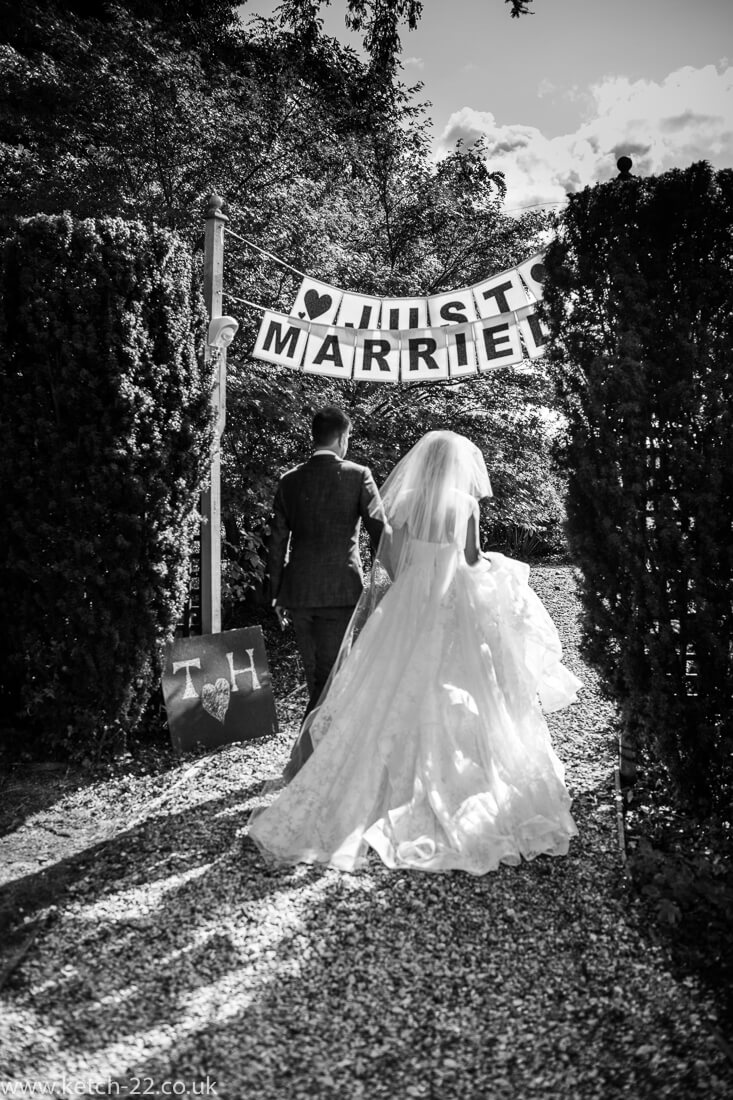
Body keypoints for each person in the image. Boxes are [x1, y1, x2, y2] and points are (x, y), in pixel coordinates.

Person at [250, 430, 582, 875]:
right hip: (451, 596)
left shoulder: (405, 499)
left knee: (387, 678)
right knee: (461, 679)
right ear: (458, 465)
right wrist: (493, 568)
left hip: (410, 596)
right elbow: (471, 557)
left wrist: (412, 577)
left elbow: (389, 552)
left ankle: (365, 782)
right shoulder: (464, 504)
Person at [263, 405, 387, 776]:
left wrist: (276, 592)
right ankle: (311, 766)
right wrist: (393, 576)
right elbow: (381, 532)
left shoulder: (289, 480)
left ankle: (315, 761)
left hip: (299, 594)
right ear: (342, 438)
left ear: (315, 437)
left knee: (317, 675)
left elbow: (276, 543)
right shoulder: (358, 475)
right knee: (331, 679)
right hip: (342, 592)